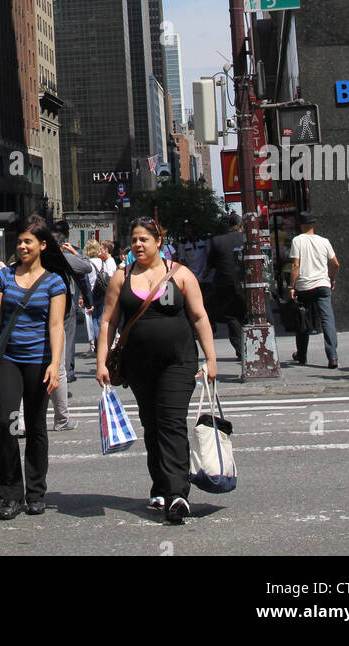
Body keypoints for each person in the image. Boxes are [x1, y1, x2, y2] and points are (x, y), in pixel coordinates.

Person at [96, 218, 217, 525]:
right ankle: (161, 483)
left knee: (172, 422)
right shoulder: (121, 277)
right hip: (138, 366)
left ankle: (177, 494)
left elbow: (200, 317)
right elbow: (108, 321)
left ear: (158, 242)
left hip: (179, 362)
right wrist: (101, 362)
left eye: (144, 239)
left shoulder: (181, 275)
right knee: (152, 424)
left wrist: (211, 360)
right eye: (134, 239)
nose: (138, 244)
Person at [0, 219, 67, 519]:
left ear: (42, 245)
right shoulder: (3, 277)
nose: (23, 246)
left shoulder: (54, 282)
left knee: (37, 427)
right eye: (20, 242)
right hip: (9, 361)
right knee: (7, 425)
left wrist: (55, 363)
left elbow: (56, 326)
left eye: (29, 242)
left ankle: (36, 493)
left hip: (39, 362)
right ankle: (10, 493)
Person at [288, 212, 340, 368]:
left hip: (305, 286)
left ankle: (302, 355)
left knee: (303, 319)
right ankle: (332, 357)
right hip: (323, 285)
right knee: (327, 320)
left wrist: (291, 286)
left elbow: (295, 265)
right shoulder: (324, 241)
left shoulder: (297, 241)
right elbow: (336, 264)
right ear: (313, 225)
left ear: (302, 226)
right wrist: (333, 279)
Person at [50, 218, 94, 381]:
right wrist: (88, 301)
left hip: (47, 300)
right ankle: (67, 369)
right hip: (67, 300)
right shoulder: (70, 254)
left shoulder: (40, 256)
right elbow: (85, 274)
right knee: (68, 335)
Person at [206, 215, 245, 361]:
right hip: (245, 283)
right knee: (245, 314)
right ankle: (248, 346)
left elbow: (212, 263)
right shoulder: (247, 238)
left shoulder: (217, 241)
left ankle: (240, 349)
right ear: (240, 225)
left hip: (225, 283)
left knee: (232, 316)